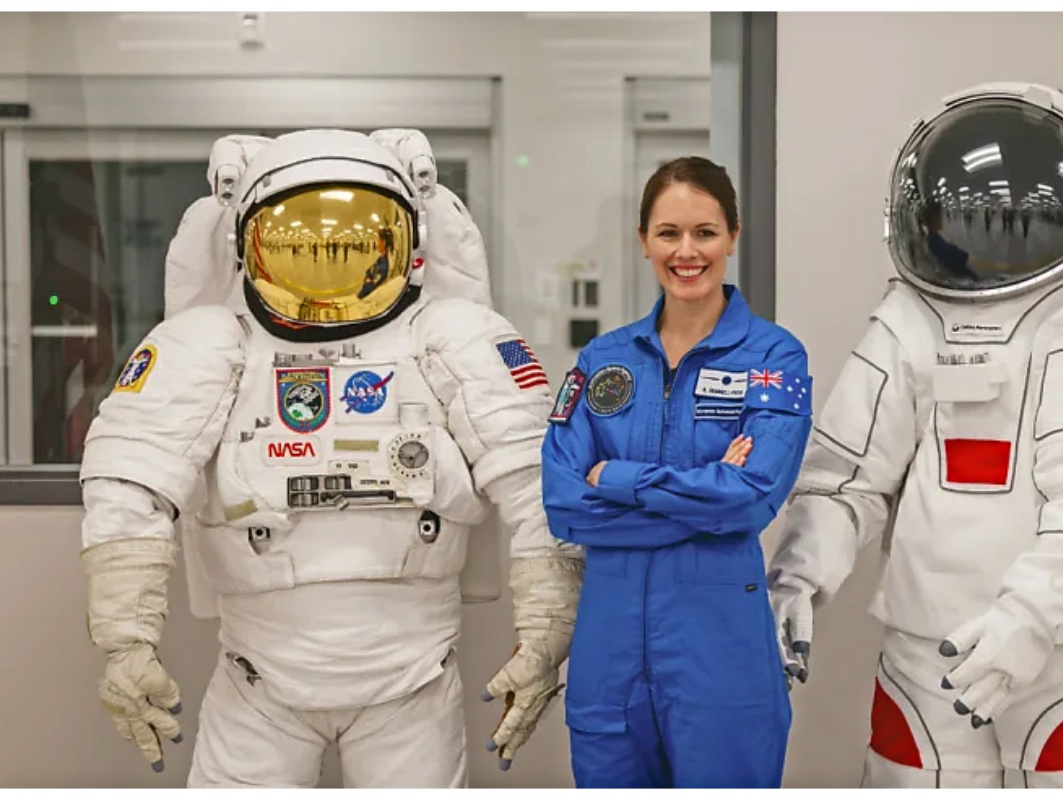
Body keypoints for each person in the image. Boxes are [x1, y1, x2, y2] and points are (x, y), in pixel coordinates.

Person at [77, 128, 584, 787]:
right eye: (300, 247)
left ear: (411, 247)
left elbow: (535, 478)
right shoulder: (213, 342)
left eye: (350, 245)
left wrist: (548, 630)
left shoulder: (450, 335)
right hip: (258, 673)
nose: (325, 269)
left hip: (415, 674)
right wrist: (124, 640)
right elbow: (130, 479)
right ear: (247, 246)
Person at [766, 83, 1063, 789]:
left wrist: (1032, 615)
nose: (988, 231)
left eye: (1009, 215)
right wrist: (796, 576)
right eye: (969, 214)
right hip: (928, 646)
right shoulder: (913, 315)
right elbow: (846, 472)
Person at [539, 156, 813, 788]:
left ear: (733, 237)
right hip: (608, 654)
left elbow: (748, 503)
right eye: (668, 233)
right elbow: (563, 504)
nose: (686, 251)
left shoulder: (773, 357)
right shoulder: (604, 359)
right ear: (643, 242)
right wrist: (701, 500)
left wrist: (616, 478)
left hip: (720, 654)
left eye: (704, 232)